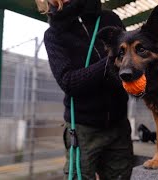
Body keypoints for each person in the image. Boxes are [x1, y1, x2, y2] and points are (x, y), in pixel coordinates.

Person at [35, 0, 134, 179]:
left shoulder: (110, 18)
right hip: (83, 130)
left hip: (118, 125)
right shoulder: (54, 35)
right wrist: (111, 60)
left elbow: (130, 61)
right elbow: (69, 82)